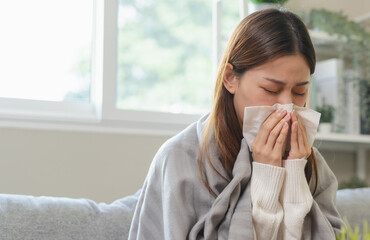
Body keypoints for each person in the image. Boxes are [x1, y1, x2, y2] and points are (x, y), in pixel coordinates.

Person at [128, 8, 343, 240]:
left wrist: (293, 176)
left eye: (300, 91)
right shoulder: (180, 160)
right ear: (230, 78)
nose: (287, 106)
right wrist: (266, 179)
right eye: (271, 90)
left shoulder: (312, 165)